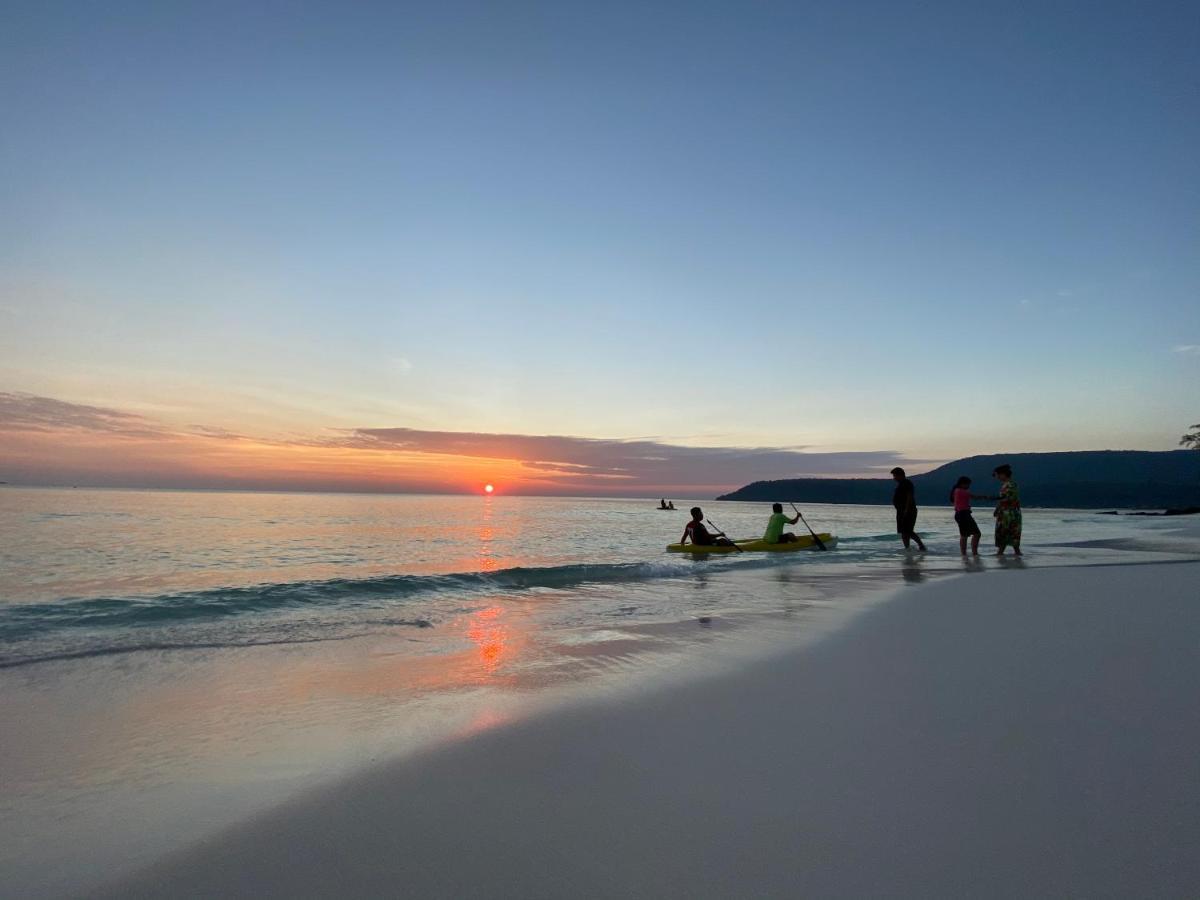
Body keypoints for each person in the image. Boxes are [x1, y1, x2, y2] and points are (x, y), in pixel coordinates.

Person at [890, 467, 927, 551]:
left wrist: (906, 509)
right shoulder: (900, 484)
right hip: (901, 511)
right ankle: (907, 548)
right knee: (903, 531)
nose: (894, 478)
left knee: (908, 530)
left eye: (895, 476)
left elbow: (909, 497)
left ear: (900, 475)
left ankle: (921, 546)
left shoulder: (907, 483)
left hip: (908, 511)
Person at [991, 464, 1022, 556]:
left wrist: (997, 507)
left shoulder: (1010, 485)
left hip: (1008, 512)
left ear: (1003, 474)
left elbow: (1006, 498)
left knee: (1005, 531)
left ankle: (1002, 552)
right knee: (1011, 531)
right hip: (1010, 511)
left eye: (997, 475)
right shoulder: (1009, 484)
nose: (997, 477)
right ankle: (1014, 552)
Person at [950, 476, 984, 556]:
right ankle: (973, 553)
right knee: (976, 534)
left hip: (961, 514)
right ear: (962, 484)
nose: (968, 486)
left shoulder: (956, 490)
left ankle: (965, 554)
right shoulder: (960, 491)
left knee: (965, 535)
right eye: (968, 484)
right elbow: (974, 496)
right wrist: (986, 497)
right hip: (963, 514)